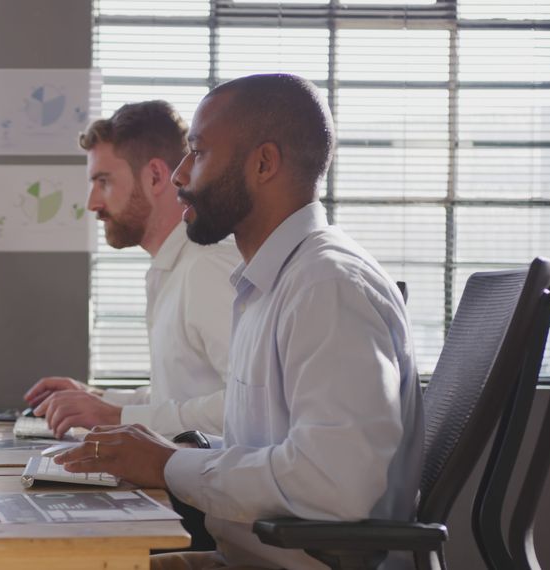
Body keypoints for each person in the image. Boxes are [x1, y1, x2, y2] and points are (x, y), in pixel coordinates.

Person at [54, 74, 425, 570]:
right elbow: (269, 446)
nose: (181, 176)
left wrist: (166, 462)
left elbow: (337, 482)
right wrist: (143, 441)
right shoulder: (271, 282)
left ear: (264, 163)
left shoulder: (326, 285)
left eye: (199, 154)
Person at [23, 100, 239, 438]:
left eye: (104, 181)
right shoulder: (172, 268)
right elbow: (180, 400)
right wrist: (99, 400)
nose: (92, 203)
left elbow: (248, 405)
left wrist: (114, 416)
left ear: (154, 177)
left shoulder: (206, 266)